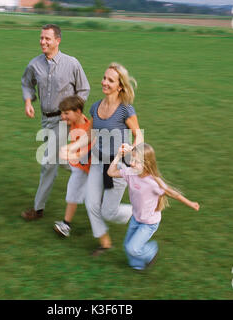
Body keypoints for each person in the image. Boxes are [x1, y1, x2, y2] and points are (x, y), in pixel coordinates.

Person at [61, 62, 143, 256]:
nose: (104, 82)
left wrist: (132, 149)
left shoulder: (126, 110)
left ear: (120, 86)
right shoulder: (96, 106)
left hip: (118, 166)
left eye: (110, 80)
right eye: (104, 78)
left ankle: (140, 211)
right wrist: (70, 147)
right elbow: (90, 135)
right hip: (98, 162)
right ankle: (105, 242)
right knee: (91, 204)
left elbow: (138, 134)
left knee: (108, 212)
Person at [21, 24, 90, 221]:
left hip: (65, 121)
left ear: (57, 40)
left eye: (47, 39)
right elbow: (26, 83)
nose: (43, 42)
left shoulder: (72, 63)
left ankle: (38, 209)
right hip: (46, 119)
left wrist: (74, 115)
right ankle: (90, 175)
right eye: (41, 38)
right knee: (64, 160)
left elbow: (83, 89)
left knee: (48, 162)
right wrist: (28, 102)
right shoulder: (34, 65)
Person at [108, 143, 200, 271]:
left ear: (147, 164)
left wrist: (190, 203)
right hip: (136, 218)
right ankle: (137, 266)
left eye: (137, 161)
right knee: (127, 246)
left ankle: (151, 251)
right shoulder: (130, 173)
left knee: (133, 248)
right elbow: (111, 172)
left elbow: (173, 193)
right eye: (132, 159)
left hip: (149, 223)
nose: (133, 163)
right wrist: (118, 156)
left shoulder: (153, 183)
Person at [54, 95, 92, 237]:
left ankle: (132, 212)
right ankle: (66, 224)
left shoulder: (86, 128)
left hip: (87, 169)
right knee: (75, 193)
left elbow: (87, 154)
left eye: (66, 113)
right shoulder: (76, 122)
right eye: (62, 113)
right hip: (81, 168)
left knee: (78, 195)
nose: (63, 117)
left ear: (78, 112)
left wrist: (68, 154)